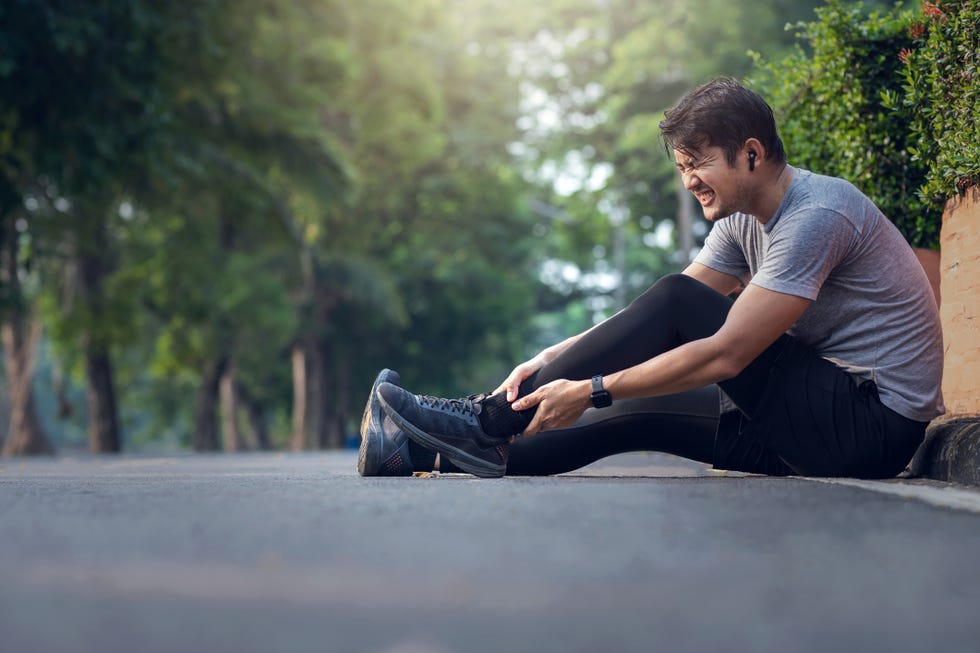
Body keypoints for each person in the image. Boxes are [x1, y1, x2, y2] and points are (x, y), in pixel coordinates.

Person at [358, 76, 944, 479]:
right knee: (624, 416)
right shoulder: (744, 222)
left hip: (870, 424)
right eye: (683, 168)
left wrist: (589, 387)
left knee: (656, 329)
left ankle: (483, 419)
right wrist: (549, 358)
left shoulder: (817, 214)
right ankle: (411, 451)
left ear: (752, 153)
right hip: (816, 418)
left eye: (699, 163)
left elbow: (722, 351)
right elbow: (648, 324)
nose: (690, 180)